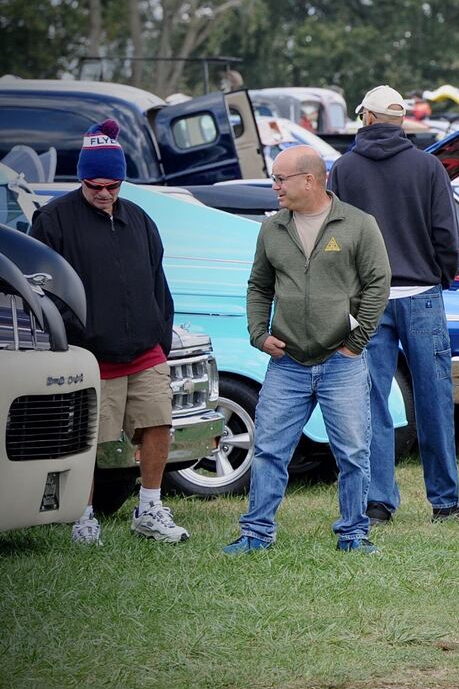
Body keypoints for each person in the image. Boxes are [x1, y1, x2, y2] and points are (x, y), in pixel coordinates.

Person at [226, 147, 391, 554]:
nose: (275, 186)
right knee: (268, 450)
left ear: (310, 180)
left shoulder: (357, 225)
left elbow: (378, 283)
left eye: (281, 179)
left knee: (353, 453)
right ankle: (256, 535)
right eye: (275, 179)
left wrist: (356, 343)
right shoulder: (272, 229)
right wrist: (257, 335)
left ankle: (354, 535)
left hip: (342, 361)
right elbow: (258, 286)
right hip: (288, 363)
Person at [29, 119, 187, 545]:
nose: (103, 193)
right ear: (82, 178)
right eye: (95, 184)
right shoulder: (53, 220)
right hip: (88, 356)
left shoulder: (140, 220)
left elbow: (158, 282)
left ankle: (150, 508)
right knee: (87, 442)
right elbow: (40, 289)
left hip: (145, 350)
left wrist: (161, 335)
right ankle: (82, 516)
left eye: (112, 185)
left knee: (158, 425)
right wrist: (72, 338)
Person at [328, 85, 459, 524]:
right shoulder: (427, 167)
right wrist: (441, 274)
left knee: (370, 402)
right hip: (421, 293)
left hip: (367, 299)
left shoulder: (344, 169)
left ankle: (377, 501)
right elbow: (446, 232)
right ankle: (445, 502)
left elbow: (335, 234)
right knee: (434, 400)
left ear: (366, 118)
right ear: (401, 120)